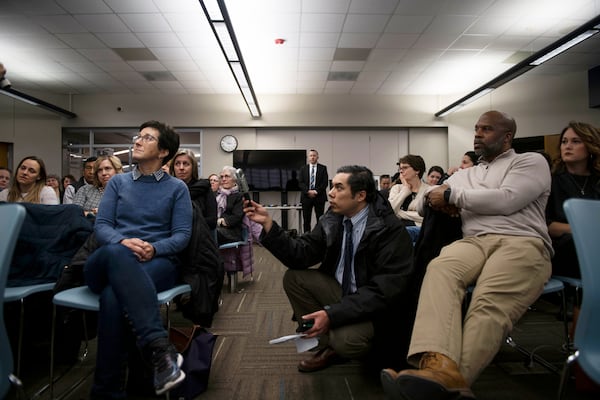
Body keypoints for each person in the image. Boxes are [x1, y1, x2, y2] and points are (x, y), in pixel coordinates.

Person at [381, 110, 553, 400]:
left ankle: (449, 382)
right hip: (475, 241)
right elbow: (426, 202)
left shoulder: (530, 161)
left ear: (507, 136)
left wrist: (452, 196)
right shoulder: (466, 173)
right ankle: (439, 365)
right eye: (476, 128)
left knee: (487, 301)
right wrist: (442, 195)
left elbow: (508, 199)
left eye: (486, 129)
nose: (477, 134)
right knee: (439, 269)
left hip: (522, 242)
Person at [244, 165, 415, 373]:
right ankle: (327, 344)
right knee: (295, 278)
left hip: (374, 307)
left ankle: (342, 346)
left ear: (360, 195)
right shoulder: (333, 218)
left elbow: (383, 292)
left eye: (339, 188)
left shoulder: (389, 231)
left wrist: (332, 314)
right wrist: (269, 224)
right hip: (342, 292)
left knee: (345, 341)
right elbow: (302, 253)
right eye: (332, 186)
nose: (331, 193)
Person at [83, 121, 192, 398]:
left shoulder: (177, 188)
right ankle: (159, 348)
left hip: (155, 262)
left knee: (112, 297)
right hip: (109, 258)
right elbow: (103, 226)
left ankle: (107, 390)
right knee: (118, 254)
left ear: (163, 151)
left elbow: (181, 237)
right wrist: (122, 242)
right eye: (138, 136)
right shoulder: (118, 182)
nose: (138, 141)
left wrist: (153, 249)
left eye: (147, 138)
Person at [546, 121, 600, 278]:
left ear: (590, 147)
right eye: (564, 142)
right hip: (565, 246)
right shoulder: (550, 181)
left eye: (575, 141)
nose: (567, 146)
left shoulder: (597, 181)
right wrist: (582, 229)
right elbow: (546, 225)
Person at [170, 148, 217, 229]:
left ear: (193, 167)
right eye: (177, 164)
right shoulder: (169, 190)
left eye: (186, 164)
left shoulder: (204, 189)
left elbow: (212, 221)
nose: (181, 168)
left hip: (199, 237)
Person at [388, 155, 429, 241]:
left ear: (417, 170)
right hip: (398, 230)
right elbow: (389, 211)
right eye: (400, 168)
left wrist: (399, 213)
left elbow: (426, 217)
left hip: (420, 231)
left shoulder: (428, 190)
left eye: (405, 168)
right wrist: (405, 190)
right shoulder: (397, 188)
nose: (401, 171)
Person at [298, 149, 329, 233]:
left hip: (319, 197)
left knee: (320, 219)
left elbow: (325, 183)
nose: (312, 157)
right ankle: (306, 237)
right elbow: (300, 183)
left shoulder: (323, 168)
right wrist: (308, 191)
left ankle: (319, 237)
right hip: (306, 197)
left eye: (314, 155)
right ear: (308, 157)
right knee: (306, 220)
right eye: (310, 155)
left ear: (317, 157)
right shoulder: (303, 168)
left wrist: (315, 192)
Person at [216, 166, 244, 244]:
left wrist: (221, 221)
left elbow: (237, 217)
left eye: (227, 176)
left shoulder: (239, 196)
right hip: (216, 228)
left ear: (234, 179)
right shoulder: (217, 195)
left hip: (232, 232)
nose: (224, 179)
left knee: (209, 234)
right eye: (221, 177)